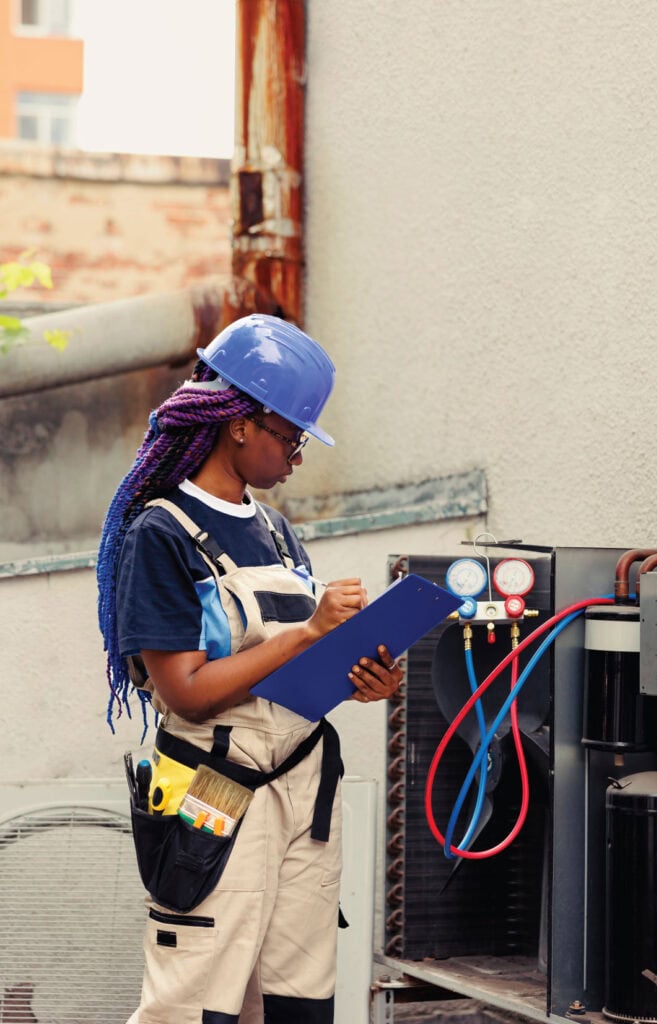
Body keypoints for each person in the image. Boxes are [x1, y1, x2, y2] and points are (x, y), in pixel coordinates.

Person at [97, 313, 402, 1024]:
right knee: (196, 1002)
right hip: (214, 789)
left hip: (303, 786)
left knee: (300, 1000)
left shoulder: (276, 532)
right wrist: (308, 632)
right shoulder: (160, 534)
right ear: (239, 424)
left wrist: (363, 678)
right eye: (291, 437)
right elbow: (186, 693)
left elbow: (288, 677)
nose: (297, 457)